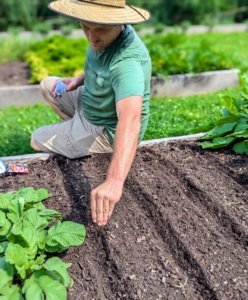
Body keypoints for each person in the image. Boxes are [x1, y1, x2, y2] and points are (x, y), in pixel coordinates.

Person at [31, 0, 151, 227]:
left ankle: (80, 139)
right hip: (90, 99)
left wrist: (115, 181)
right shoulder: (104, 34)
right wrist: (78, 80)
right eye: (85, 27)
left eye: (100, 30)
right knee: (47, 85)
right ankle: (75, 133)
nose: (91, 37)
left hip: (105, 128)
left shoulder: (127, 64)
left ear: (120, 23)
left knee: (35, 140)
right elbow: (98, 65)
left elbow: (130, 118)